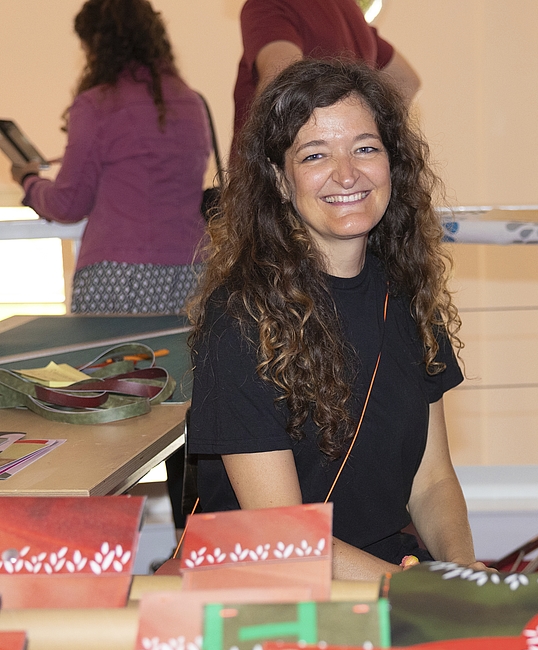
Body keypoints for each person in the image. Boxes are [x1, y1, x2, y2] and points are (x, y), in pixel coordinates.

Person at [188, 58, 484, 580]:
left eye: (365, 148)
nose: (346, 174)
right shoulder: (240, 317)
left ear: (392, 162)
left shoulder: (410, 296)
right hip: (269, 588)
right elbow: (282, 535)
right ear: (280, 180)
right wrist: (417, 589)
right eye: (315, 155)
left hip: (383, 574)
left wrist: (461, 573)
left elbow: (431, 480)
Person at [9, 0, 210, 314]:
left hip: (121, 275)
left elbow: (68, 203)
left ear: (99, 45)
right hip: (193, 270)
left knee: (111, 362)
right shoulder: (192, 102)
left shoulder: (96, 104)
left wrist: (29, 181)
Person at [231, 0, 420, 152]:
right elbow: (406, 80)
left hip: (285, 191)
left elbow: (282, 90)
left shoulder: (267, 4)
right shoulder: (348, 9)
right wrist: (361, 144)